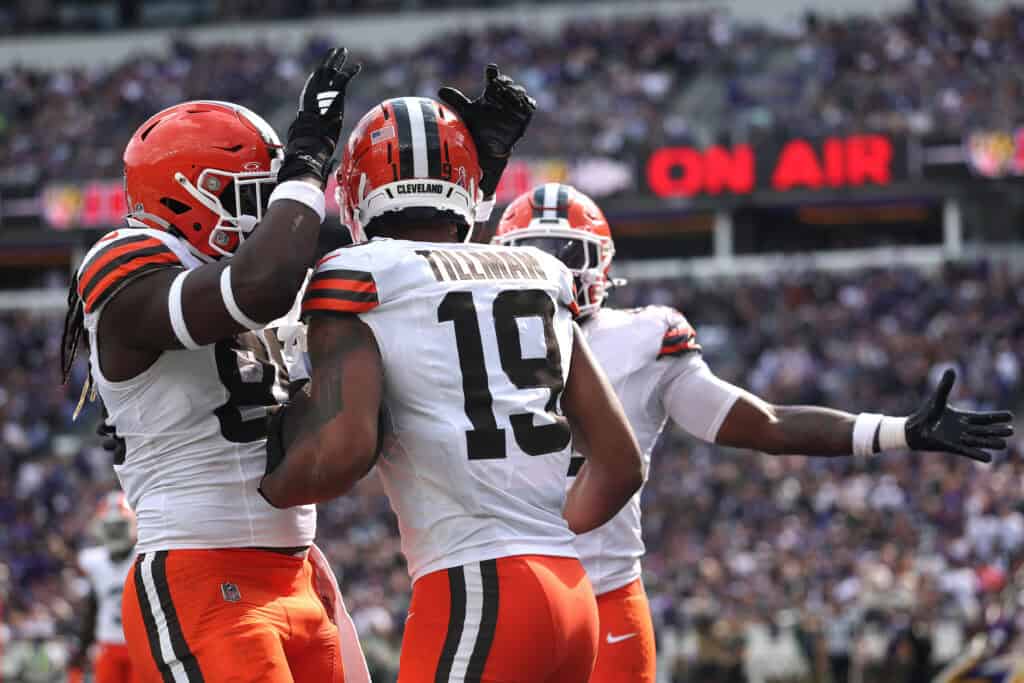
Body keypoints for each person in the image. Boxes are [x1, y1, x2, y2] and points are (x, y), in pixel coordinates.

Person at [492, 183, 1016, 683]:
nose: (551, 272)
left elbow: (766, 423)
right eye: (532, 254)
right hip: (505, 588)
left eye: (564, 254)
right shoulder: (460, 340)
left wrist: (898, 431)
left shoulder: (641, 340)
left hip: (604, 589)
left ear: (601, 265)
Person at [258, 67, 645, 683]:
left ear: (355, 192)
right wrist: (534, 538)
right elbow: (622, 464)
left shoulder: (356, 274)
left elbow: (341, 451)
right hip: (570, 589)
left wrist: (268, 478)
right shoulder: (538, 272)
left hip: (477, 590)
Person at [60, 48, 369, 683]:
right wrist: (307, 164)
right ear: (184, 197)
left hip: (299, 565)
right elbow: (254, 290)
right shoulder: (124, 261)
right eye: (254, 194)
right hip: (204, 569)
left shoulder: (250, 284)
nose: (266, 216)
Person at [68, 493, 137, 683]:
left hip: (141, 645)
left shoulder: (143, 557)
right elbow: (93, 607)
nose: (115, 532)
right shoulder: (95, 562)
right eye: (110, 527)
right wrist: (82, 648)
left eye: (119, 526)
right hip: (107, 644)